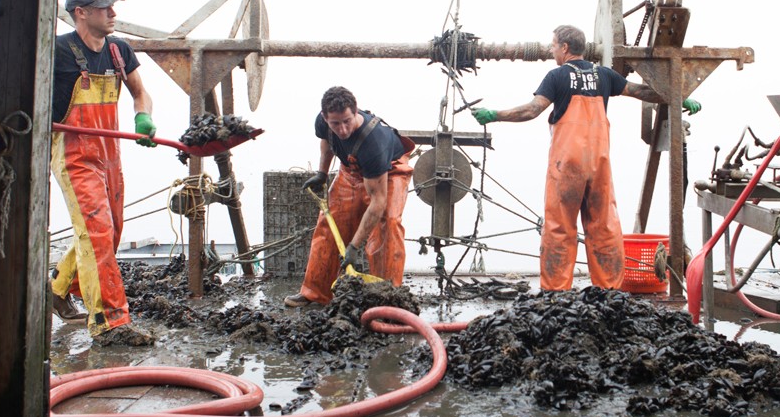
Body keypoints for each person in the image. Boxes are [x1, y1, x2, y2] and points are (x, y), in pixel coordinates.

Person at [471, 25, 700, 292]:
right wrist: (678, 97)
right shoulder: (604, 75)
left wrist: (494, 114)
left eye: (553, 45)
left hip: (566, 166)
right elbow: (642, 91)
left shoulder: (556, 76)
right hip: (598, 165)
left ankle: (556, 293)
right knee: (604, 228)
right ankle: (609, 291)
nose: (550, 49)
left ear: (565, 48)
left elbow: (533, 110)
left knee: (559, 229)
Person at [49, 0, 157, 346]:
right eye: (104, 8)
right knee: (96, 233)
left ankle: (58, 287)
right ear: (80, 12)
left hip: (110, 155)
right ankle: (109, 322)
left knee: (108, 233)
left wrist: (143, 117)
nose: (113, 13)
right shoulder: (58, 52)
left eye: (112, 7)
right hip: (74, 155)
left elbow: (140, 92)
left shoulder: (118, 50)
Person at [285, 86, 415, 307]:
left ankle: (389, 298)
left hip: (388, 172)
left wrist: (354, 246)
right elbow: (326, 143)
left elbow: (378, 202)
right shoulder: (324, 123)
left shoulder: (373, 142)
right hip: (350, 170)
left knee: (387, 225)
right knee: (328, 225)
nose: (343, 129)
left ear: (355, 112)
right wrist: (322, 174)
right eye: (336, 123)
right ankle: (315, 293)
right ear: (326, 118)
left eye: (347, 121)